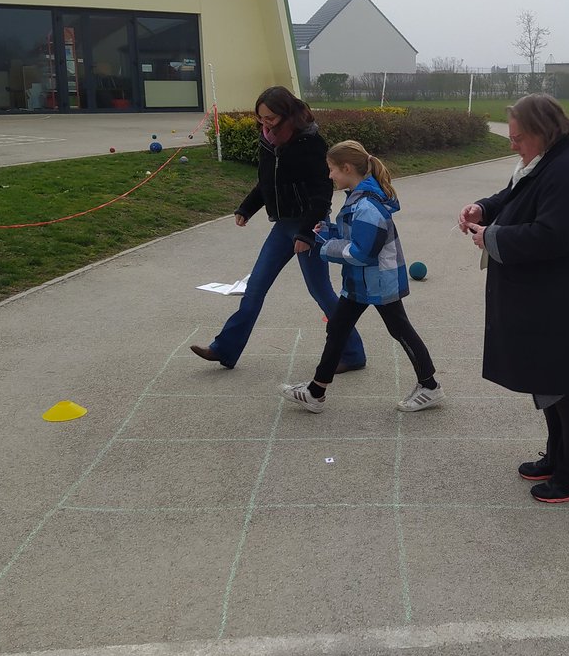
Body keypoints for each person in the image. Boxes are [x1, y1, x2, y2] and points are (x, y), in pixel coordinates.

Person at [459, 94, 569, 504]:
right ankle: (558, 457)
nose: (512, 144)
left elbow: (553, 235)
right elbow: (517, 194)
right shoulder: (549, 158)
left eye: (517, 138)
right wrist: (484, 208)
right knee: (550, 379)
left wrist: (491, 236)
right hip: (555, 295)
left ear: (542, 131)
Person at [190, 87, 367, 372]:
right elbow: (266, 183)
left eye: (270, 118)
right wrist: (246, 208)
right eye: (261, 118)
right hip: (282, 227)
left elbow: (322, 193)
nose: (265, 124)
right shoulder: (268, 142)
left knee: (321, 293)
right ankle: (224, 349)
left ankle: (353, 353)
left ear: (287, 114)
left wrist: (307, 234)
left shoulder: (310, 142)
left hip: (311, 227)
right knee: (254, 290)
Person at [282, 140, 444, 413]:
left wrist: (324, 246)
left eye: (332, 169)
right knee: (337, 328)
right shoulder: (357, 199)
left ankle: (430, 387)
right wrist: (330, 232)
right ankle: (315, 392)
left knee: (399, 329)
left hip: (378, 280)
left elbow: (363, 253)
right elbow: (356, 237)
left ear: (347, 168)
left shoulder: (368, 206)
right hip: (362, 281)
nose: (330, 175)